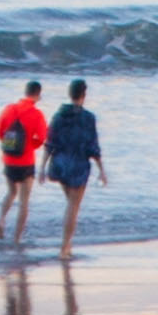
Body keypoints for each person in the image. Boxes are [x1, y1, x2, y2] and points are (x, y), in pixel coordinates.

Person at [43, 77, 105, 258]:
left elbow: (50, 142)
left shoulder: (58, 115)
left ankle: (67, 245)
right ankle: (65, 247)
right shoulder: (88, 118)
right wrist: (101, 170)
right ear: (84, 95)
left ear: (70, 94)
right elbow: (93, 147)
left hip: (60, 165)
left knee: (71, 204)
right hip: (78, 166)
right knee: (73, 206)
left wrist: (42, 167)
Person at [0, 78, 49, 244]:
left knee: (11, 192)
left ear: (25, 92)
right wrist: (30, 146)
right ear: (38, 95)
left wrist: (9, 143)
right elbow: (42, 137)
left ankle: (2, 220)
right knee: (24, 202)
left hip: (9, 160)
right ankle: (17, 239)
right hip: (26, 162)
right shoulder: (37, 114)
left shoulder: (10, 109)